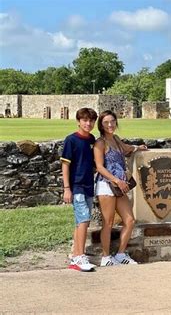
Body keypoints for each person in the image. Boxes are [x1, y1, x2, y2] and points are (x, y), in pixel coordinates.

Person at [93, 110, 147, 266]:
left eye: (112, 121)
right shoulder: (100, 143)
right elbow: (99, 167)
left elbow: (126, 148)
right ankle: (105, 257)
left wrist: (137, 148)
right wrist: (116, 180)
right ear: (101, 125)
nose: (110, 125)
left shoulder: (115, 139)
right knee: (108, 223)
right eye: (106, 122)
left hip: (119, 186)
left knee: (129, 220)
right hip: (107, 184)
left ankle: (120, 254)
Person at [61, 107, 98, 271]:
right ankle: (79, 257)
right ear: (78, 121)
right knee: (83, 219)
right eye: (84, 120)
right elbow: (65, 165)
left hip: (89, 184)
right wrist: (67, 188)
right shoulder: (71, 140)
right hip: (76, 186)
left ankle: (75, 252)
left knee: (82, 221)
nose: (88, 123)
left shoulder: (92, 139)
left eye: (91, 121)